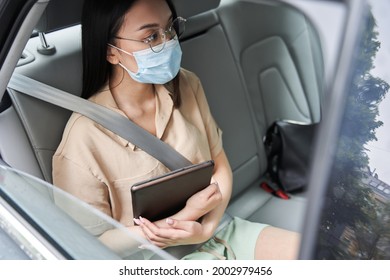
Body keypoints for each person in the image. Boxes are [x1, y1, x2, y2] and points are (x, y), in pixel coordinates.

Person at [52, 0, 300, 260]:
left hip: (220, 232)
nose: (168, 42)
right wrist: (187, 217)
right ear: (111, 51)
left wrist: (207, 228)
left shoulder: (187, 84)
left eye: (170, 28)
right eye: (151, 36)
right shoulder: (83, 138)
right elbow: (87, 246)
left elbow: (220, 165)